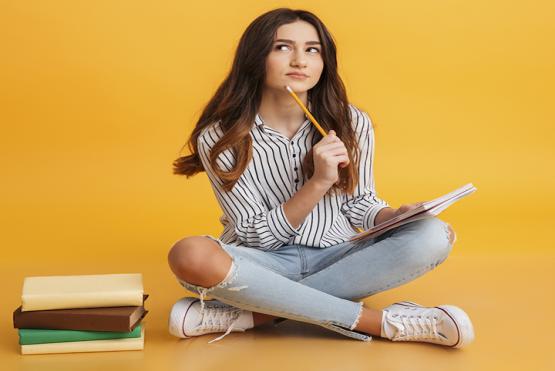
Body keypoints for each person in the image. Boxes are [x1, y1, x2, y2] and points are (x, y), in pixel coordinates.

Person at [167, 8, 474, 348]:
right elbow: (255, 234)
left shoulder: (352, 122)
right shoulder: (221, 136)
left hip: (340, 255)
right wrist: (317, 183)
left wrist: (394, 217)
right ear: (255, 57)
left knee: (434, 234)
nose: (300, 60)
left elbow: (361, 204)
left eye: (312, 50)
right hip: (263, 263)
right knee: (190, 254)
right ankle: (380, 323)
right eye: (283, 47)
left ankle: (257, 314)